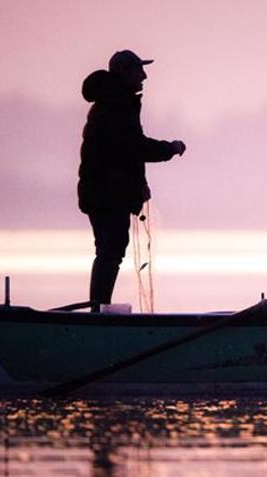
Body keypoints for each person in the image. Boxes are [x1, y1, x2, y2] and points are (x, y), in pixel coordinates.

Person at [78, 50, 186, 311]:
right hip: (107, 193)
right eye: (138, 70)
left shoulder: (114, 101)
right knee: (110, 250)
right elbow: (134, 147)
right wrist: (169, 148)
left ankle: (98, 309)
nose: (144, 76)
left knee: (109, 250)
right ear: (124, 72)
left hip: (102, 191)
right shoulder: (117, 104)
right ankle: (98, 312)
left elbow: (123, 153)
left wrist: (139, 185)